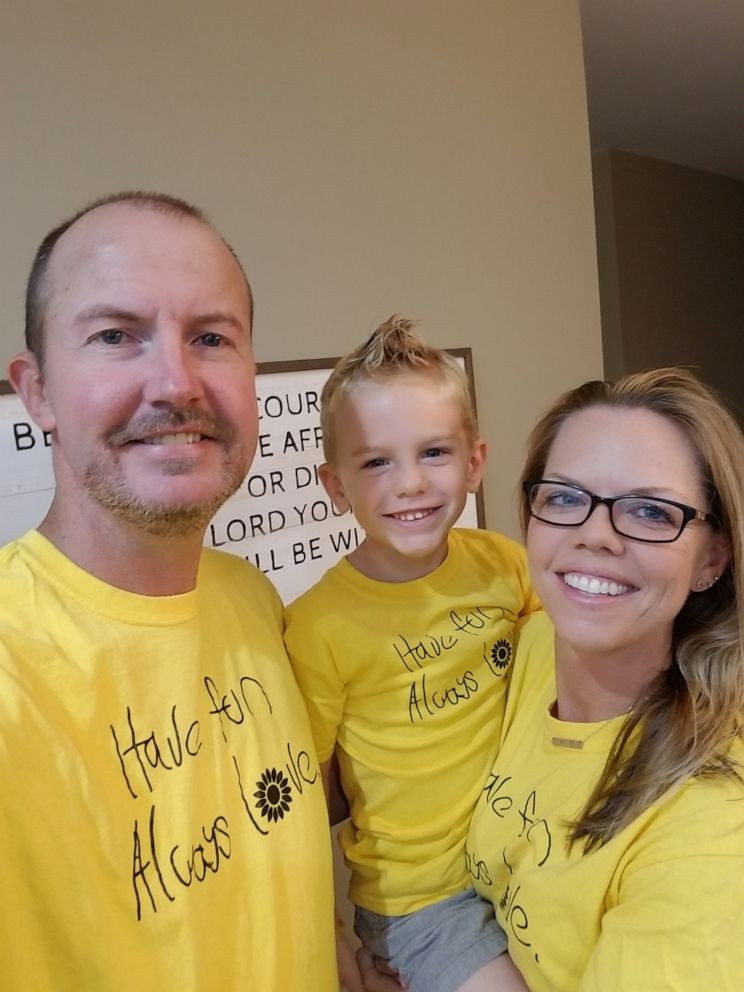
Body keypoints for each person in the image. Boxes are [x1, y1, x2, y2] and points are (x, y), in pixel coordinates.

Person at [0, 193, 338, 990]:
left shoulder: (253, 599)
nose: (176, 383)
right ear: (38, 391)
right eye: (116, 336)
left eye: (211, 337)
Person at [463, 368, 744, 990]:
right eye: (564, 497)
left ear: (712, 558)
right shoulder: (524, 649)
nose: (595, 535)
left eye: (649, 510)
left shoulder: (715, 832)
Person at [284, 316, 540, 992]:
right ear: (336, 486)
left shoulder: (504, 567)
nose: (410, 484)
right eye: (376, 461)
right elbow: (305, 798)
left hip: (525, 851)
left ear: (475, 462)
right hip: (422, 899)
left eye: (434, 453)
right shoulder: (319, 625)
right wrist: (326, 932)